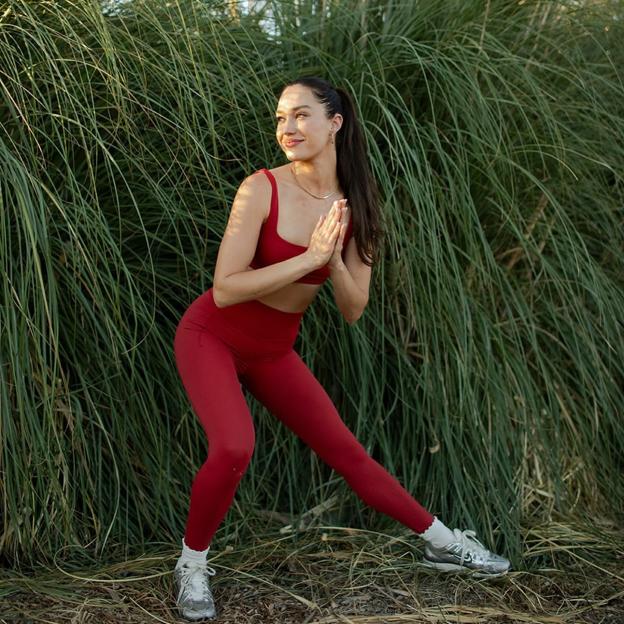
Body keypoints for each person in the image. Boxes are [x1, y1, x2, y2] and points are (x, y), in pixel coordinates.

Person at [172, 76, 510, 621]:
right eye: (281, 117)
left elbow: (354, 309)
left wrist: (330, 259)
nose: (288, 128)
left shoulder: (358, 209)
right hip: (211, 334)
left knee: (349, 453)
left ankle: (443, 541)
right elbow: (226, 288)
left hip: (273, 349)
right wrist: (307, 259)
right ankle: (191, 567)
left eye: (301, 115)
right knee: (235, 447)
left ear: (335, 123)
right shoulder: (261, 188)